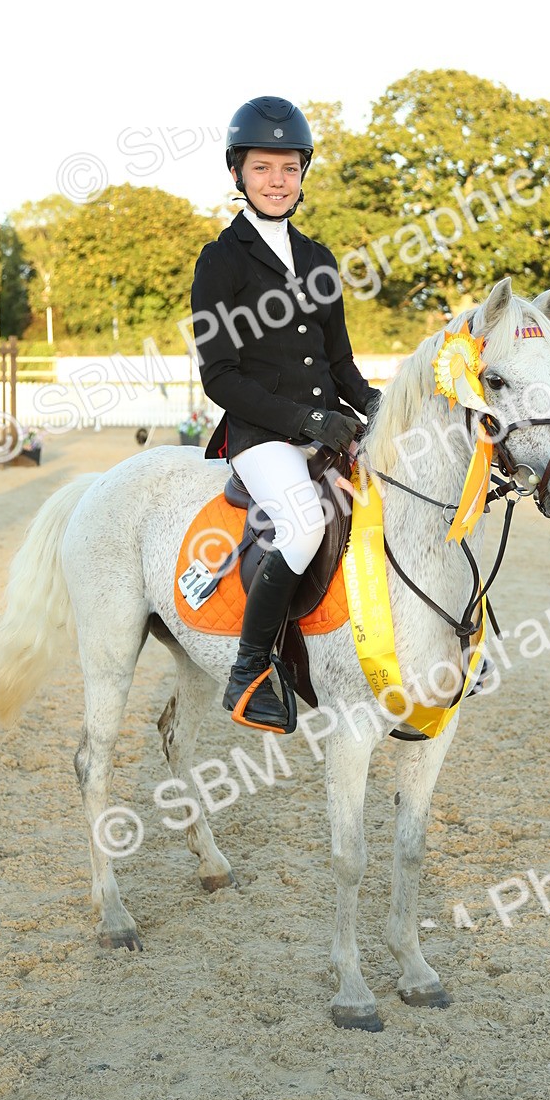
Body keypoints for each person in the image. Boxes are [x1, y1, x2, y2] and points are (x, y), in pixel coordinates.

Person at [190, 96, 381, 731]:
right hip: (263, 436)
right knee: (301, 527)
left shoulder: (321, 258)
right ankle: (251, 666)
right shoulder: (221, 260)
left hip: (330, 427)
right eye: (263, 168)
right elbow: (219, 376)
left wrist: (378, 405)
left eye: (289, 168)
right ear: (238, 173)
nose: (277, 181)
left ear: (303, 174)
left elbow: (341, 364)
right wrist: (306, 424)